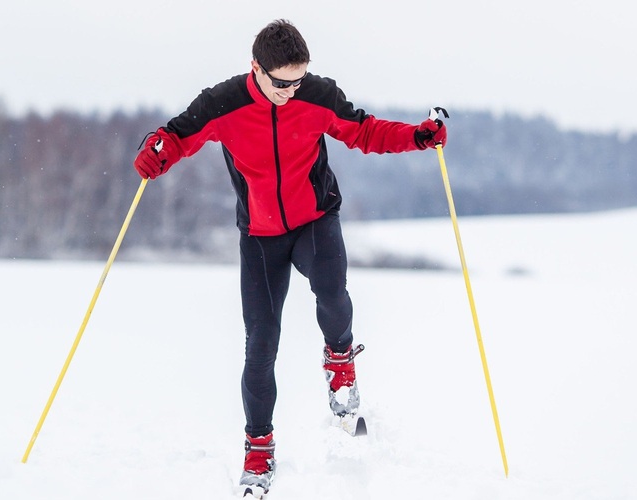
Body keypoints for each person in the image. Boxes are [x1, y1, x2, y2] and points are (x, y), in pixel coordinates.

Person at [133, 19, 446, 495]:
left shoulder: (316, 96)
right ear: (255, 68)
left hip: (315, 218)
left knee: (332, 293)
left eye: (298, 80)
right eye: (281, 82)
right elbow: (176, 136)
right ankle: (258, 454)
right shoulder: (223, 103)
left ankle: (341, 368)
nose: (290, 90)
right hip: (260, 236)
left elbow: (365, 131)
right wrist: (156, 153)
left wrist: (418, 137)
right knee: (260, 344)